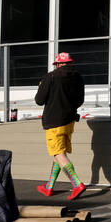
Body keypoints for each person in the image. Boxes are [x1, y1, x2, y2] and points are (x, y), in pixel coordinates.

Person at [34, 52, 86, 200]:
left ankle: (77, 184)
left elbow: (39, 100)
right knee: (60, 152)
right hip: (69, 121)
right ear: (70, 63)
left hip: (53, 122)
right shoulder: (78, 77)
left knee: (59, 153)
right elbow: (79, 100)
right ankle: (49, 187)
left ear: (57, 64)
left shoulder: (50, 77)